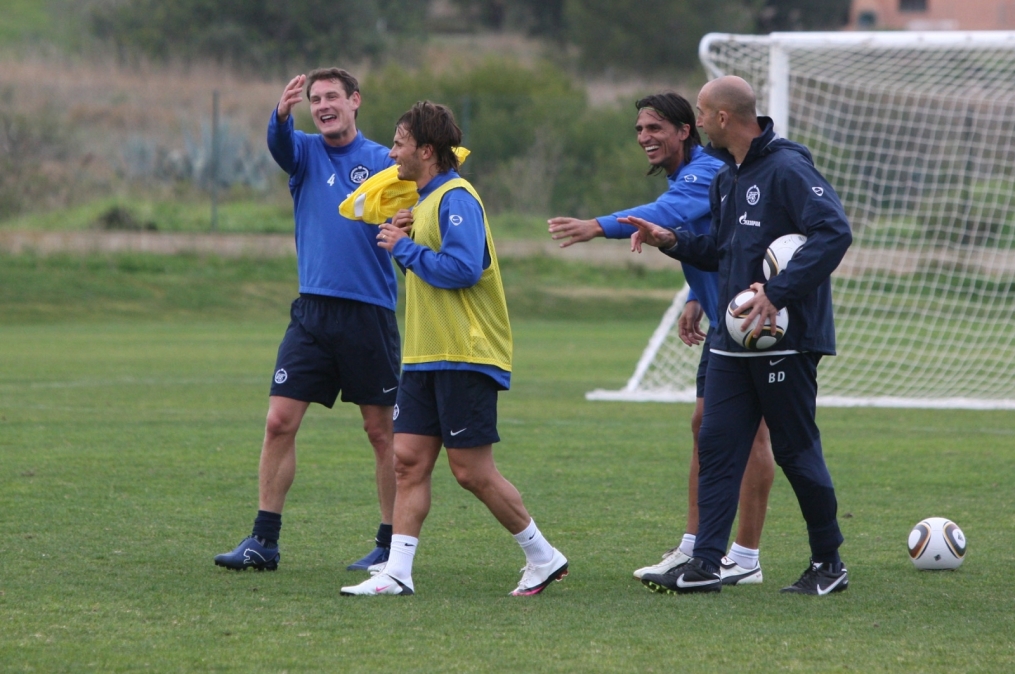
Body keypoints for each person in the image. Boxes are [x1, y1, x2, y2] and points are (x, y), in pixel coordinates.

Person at [628, 76, 852, 595]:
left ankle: (828, 562)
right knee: (717, 443)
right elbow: (724, 254)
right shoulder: (725, 177)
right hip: (731, 340)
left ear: (724, 118)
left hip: (786, 339)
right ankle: (706, 563)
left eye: (702, 114)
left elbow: (834, 231)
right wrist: (672, 241)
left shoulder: (788, 168)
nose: (698, 122)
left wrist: (779, 291)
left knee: (796, 450)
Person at [340, 101, 568, 597]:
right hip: (424, 354)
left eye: (399, 143)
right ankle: (397, 573)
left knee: (470, 471)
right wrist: (405, 243)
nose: (393, 152)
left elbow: (463, 270)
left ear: (426, 150)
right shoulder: (422, 203)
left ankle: (543, 556)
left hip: (465, 352)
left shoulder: (456, 198)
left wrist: (404, 248)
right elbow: (429, 272)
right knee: (408, 460)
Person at [547, 93, 775, 586]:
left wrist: (595, 226)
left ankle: (745, 556)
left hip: (753, 323)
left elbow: (666, 214)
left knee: (752, 436)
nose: (645, 138)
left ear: (684, 131)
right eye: (639, 130)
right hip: (723, 323)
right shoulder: (693, 172)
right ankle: (694, 548)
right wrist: (696, 295)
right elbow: (707, 241)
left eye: (654, 128)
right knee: (705, 427)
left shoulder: (705, 170)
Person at [214, 68, 400, 573]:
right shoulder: (304, 153)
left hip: (370, 313)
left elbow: (419, 203)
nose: (322, 106)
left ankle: (390, 547)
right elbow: (279, 145)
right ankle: (263, 542)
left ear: (355, 100)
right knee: (279, 422)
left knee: (381, 431)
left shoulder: (384, 160)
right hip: (313, 313)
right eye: (315, 99)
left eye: (332, 97)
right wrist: (279, 114)